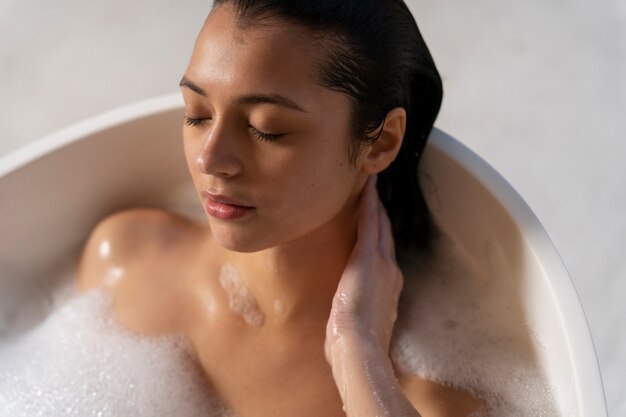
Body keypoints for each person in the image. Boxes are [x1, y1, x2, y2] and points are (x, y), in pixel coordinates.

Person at [77, 1, 482, 416]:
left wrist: (356, 350)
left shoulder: (418, 393)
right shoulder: (123, 261)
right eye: (197, 114)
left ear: (380, 142)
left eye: (266, 128)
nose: (209, 160)